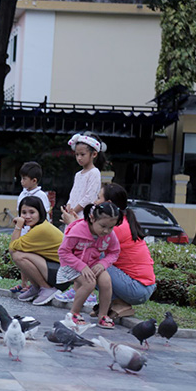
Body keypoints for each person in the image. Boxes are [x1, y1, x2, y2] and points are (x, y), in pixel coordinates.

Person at [63, 183, 156, 319]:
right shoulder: (120, 221)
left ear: (108, 203)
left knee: (91, 255)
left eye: (98, 198)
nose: (95, 201)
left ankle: (83, 292)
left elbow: (84, 245)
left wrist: (72, 224)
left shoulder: (114, 227)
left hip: (137, 288)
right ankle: (116, 303)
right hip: (140, 287)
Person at [55, 132, 107, 304]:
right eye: (77, 154)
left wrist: (74, 211)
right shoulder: (79, 174)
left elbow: (89, 197)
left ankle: (85, 291)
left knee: (81, 255)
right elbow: (74, 194)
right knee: (70, 253)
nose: (79, 158)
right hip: (73, 217)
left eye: (82, 154)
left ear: (94, 154)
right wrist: (68, 207)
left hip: (82, 218)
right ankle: (77, 289)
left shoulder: (95, 173)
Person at [57, 202, 121, 329]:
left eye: (111, 227)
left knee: (106, 280)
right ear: (92, 218)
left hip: (92, 265)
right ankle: (74, 313)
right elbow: (63, 251)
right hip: (72, 265)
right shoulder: (77, 231)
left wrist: (103, 264)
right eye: (103, 226)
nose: (106, 231)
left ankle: (103, 315)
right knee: (89, 283)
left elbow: (114, 252)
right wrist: (81, 266)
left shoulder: (109, 235)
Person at [9, 196, 65, 305]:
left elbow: (12, 248)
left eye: (32, 212)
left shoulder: (41, 229)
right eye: (23, 212)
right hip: (58, 272)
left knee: (18, 256)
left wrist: (18, 226)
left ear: (40, 213)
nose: (27, 216)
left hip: (62, 275)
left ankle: (46, 288)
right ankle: (36, 287)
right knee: (22, 252)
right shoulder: (38, 227)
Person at [15, 161, 51, 239]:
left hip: (36, 234)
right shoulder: (22, 194)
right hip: (23, 232)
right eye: (21, 178)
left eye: (24, 179)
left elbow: (44, 215)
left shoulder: (41, 195)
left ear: (34, 180)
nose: (21, 181)